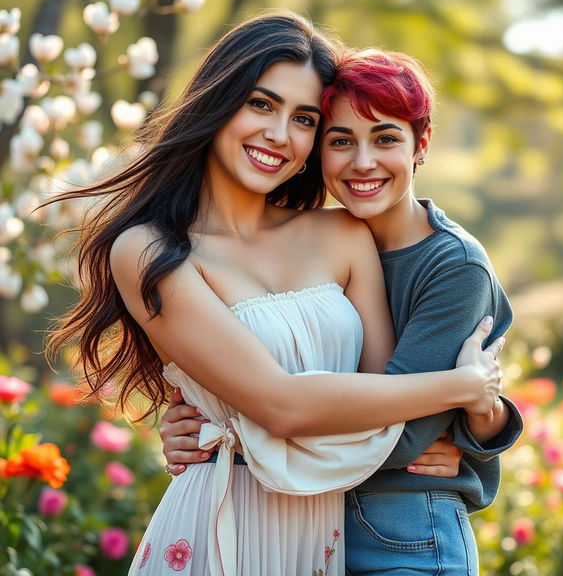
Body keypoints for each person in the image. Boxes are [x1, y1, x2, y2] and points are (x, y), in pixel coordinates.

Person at [45, 11, 504, 576]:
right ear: (218, 101)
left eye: (304, 118)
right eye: (261, 104)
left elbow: (388, 401)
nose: (279, 135)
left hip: (328, 533)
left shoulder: (341, 233)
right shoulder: (149, 251)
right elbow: (282, 405)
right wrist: (463, 388)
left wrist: (471, 427)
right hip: (221, 526)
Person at [161, 46, 523, 576]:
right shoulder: (321, 238)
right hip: (312, 523)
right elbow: (268, 377)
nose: (363, 163)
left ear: (421, 144)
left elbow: (399, 439)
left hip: (404, 526)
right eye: (340, 141)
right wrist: (217, 425)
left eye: (386, 139)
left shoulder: (453, 266)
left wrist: (240, 433)